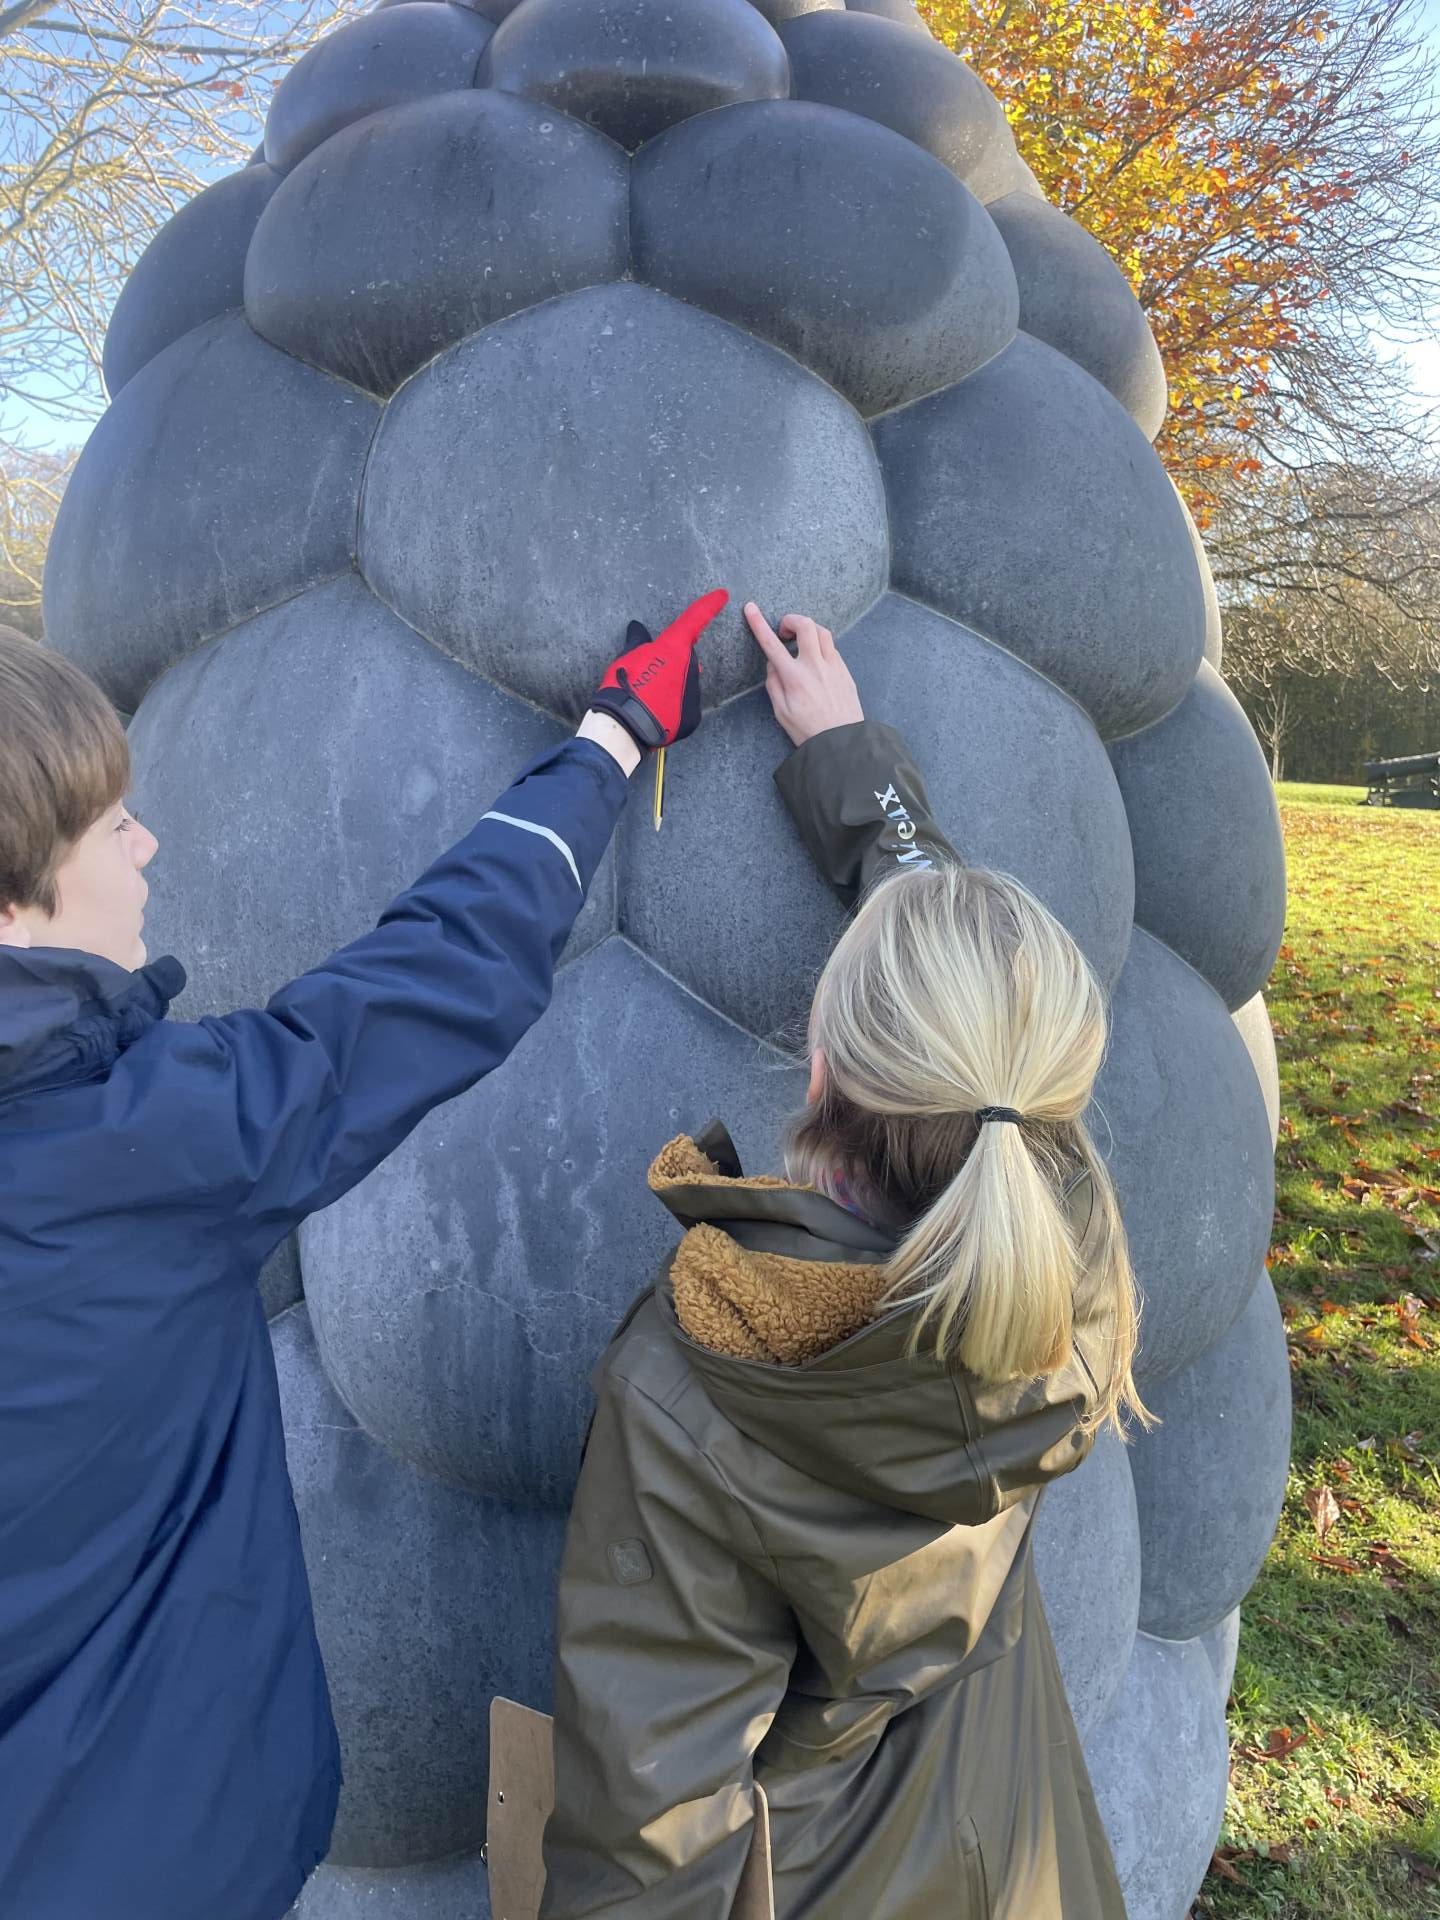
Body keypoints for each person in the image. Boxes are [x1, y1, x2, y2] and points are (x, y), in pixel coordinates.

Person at [0, 590, 725, 1920]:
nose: (148, 842)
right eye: (108, 826)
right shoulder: (142, 1148)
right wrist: (613, 738)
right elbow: (431, 976)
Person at [539, 606, 1150, 1920]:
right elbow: (974, 1029)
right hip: (1013, 1848)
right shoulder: (1069, 1260)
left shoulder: (701, 1387)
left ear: (818, 1073)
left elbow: (648, 1837)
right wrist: (866, 790)